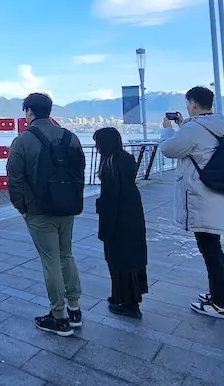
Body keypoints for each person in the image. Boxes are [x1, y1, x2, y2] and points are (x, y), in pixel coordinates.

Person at [6, 92, 86, 337]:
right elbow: (80, 172)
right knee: (66, 255)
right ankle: (74, 310)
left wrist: (22, 207)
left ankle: (59, 317)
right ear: (49, 110)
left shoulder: (23, 141)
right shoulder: (70, 137)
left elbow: (14, 179)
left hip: (39, 211)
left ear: (29, 111)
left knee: (50, 260)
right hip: (67, 208)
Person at [159, 86, 224, 320]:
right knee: (214, 247)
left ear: (192, 104)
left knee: (210, 249)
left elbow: (169, 149)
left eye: (187, 103)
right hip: (217, 193)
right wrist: (184, 126)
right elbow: (201, 147)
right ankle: (221, 294)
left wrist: (166, 131)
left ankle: (220, 304)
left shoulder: (194, 128)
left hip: (201, 197)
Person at [93, 127, 147, 319]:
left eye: (98, 144)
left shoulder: (110, 167)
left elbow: (110, 201)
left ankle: (128, 303)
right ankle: (124, 297)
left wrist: (104, 229)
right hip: (133, 216)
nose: (97, 148)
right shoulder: (125, 160)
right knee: (131, 259)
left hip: (118, 221)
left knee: (118, 260)